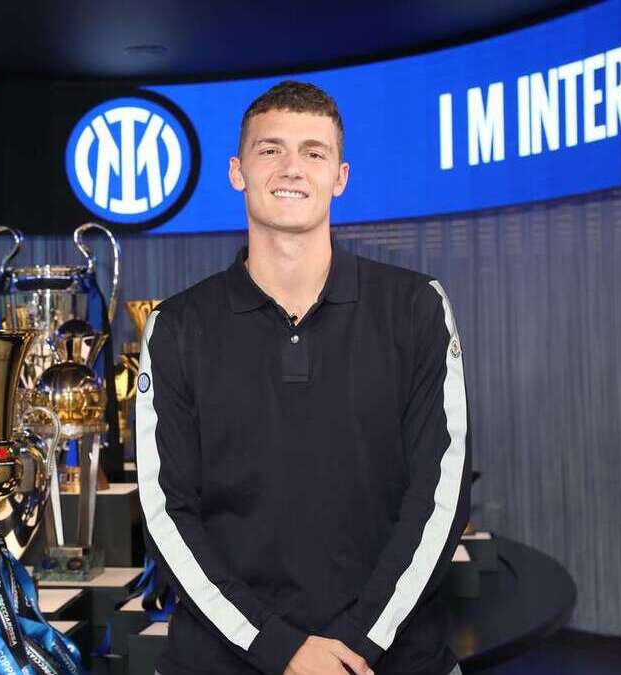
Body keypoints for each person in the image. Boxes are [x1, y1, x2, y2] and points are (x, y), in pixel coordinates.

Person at [136, 80, 472, 675]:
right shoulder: (177, 326)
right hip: (227, 660)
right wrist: (280, 648)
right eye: (271, 150)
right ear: (237, 172)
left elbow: (440, 496)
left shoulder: (416, 307)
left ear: (340, 177)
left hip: (389, 658)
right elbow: (167, 512)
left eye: (313, 152)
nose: (292, 167)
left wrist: (355, 643)